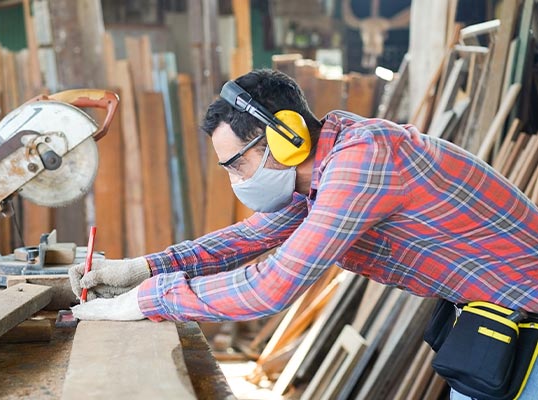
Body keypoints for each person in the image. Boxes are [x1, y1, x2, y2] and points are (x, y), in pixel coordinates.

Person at [69, 69, 538, 399]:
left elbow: (271, 286)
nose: (236, 180)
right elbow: (245, 238)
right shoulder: (323, 171)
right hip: (497, 317)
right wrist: (142, 269)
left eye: (238, 163)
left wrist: (147, 300)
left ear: (286, 137)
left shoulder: (363, 163)